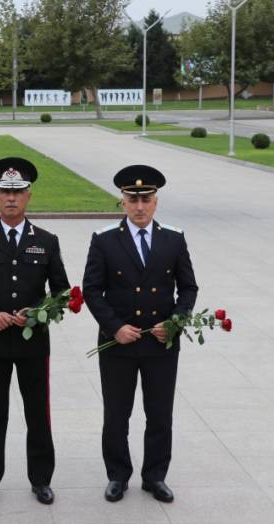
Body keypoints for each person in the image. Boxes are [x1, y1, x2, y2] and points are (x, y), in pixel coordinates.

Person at [0, 157, 70, 505]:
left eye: (18, 192)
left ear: (28, 196)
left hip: (33, 343)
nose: (11, 198)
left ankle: (41, 480)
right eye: (5, 192)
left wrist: (37, 314)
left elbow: (62, 292)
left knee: (38, 413)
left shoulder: (46, 241)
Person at [82, 165, 198, 504]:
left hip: (160, 343)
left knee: (160, 414)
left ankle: (155, 476)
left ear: (156, 202)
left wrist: (175, 322)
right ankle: (118, 475)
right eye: (132, 200)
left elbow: (188, 288)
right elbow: (92, 290)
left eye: (146, 199)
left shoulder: (173, 238)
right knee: (117, 415)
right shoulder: (104, 239)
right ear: (123, 202)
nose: (139, 207)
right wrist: (115, 327)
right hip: (118, 343)